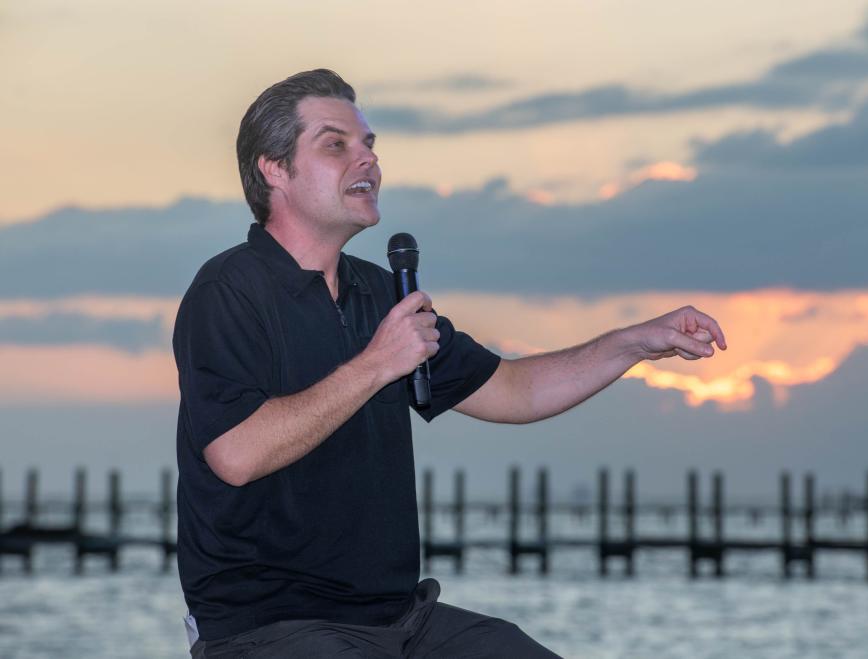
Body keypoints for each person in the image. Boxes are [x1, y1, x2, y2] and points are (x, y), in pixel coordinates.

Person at [174, 68, 727, 658]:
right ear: (275, 169)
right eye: (336, 145)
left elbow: (513, 390)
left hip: (400, 622)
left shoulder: (382, 294)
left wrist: (634, 344)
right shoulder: (228, 291)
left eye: (369, 145)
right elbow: (235, 455)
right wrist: (376, 364)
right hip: (270, 627)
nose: (367, 161)